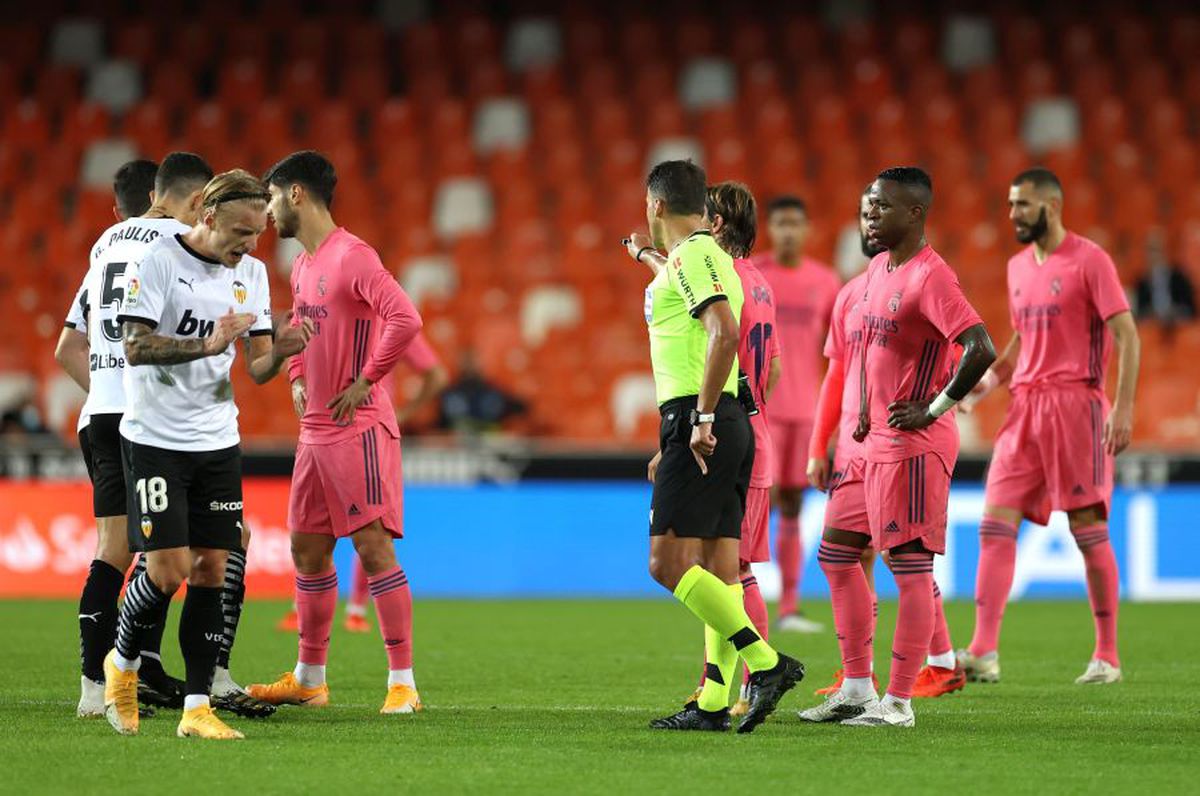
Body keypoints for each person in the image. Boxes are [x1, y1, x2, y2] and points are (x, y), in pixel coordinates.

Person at [103, 170, 312, 740]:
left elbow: (258, 366)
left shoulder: (253, 274)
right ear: (209, 215)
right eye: (240, 231)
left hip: (217, 440)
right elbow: (134, 345)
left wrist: (282, 350)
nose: (249, 243)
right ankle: (121, 661)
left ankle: (197, 709)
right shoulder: (158, 263)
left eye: (257, 232)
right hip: (154, 438)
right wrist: (207, 343)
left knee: (212, 568)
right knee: (166, 572)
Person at [803, 167, 995, 728]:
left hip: (912, 445)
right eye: (867, 204)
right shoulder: (874, 272)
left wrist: (934, 406)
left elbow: (980, 347)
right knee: (837, 554)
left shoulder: (931, 276)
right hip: (865, 448)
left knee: (909, 568)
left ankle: (899, 703)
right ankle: (857, 687)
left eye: (882, 206)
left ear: (915, 213)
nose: (869, 214)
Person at [248, 151, 425, 715]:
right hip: (314, 433)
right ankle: (310, 679)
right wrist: (297, 376)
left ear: (297, 194)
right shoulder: (302, 265)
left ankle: (403, 684)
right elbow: (301, 329)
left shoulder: (353, 257)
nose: (269, 210)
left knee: (372, 548)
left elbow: (406, 317)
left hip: (358, 428)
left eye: (273, 197)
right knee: (307, 549)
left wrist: (367, 379)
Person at [628, 160, 802, 734]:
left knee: (667, 563)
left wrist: (700, 419)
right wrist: (645, 257)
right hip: (730, 417)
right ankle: (712, 702)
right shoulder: (712, 259)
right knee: (720, 570)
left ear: (657, 205)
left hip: (698, 415)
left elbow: (724, 330)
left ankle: (767, 663)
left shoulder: (694, 255)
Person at [958, 169, 1140, 685]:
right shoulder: (1017, 266)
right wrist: (982, 386)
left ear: (1052, 206)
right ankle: (983, 651)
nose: (1012, 214)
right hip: (1025, 408)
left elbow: (1128, 336)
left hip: (1076, 406)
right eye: (1010, 204)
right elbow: (1021, 341)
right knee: (995, 523)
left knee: (1087, 528)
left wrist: (1123, 408)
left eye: (1022, 204)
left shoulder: (1090, 260)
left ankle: (1107, 656)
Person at [59, 154, 212, 719]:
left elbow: (66, 347)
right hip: (149, 418)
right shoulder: (179, 244)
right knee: (166, 551)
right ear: (194, 200)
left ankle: (102, 684)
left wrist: (105, 386)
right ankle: (130, 669)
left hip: (100, 411)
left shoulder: (104, 244)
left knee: (117, 550)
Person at [275, 332, 447, 634]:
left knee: (369, 530)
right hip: (322, 428)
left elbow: (436, 374)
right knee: (314, 530)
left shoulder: (387, 323)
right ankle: (311, 608)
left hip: (367, 430)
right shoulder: (328, 314)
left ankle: (355, 608)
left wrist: (402, 414)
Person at [750, 196, 840, 633]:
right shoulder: (754, 274)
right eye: (781, 223)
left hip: (806, 410)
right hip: (761, 408)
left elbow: (838, 352)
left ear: (806, 229)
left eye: (795, 224)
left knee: (792, 504)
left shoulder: (825, 282)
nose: (788, 231)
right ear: (769, 228)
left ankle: (788, 608)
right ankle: (742, 598)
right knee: (756, 504)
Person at [437, 349, 527, 433]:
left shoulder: (494, 392)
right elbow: (439, 424)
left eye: (473, 362)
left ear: (480, 364)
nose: (470, 367)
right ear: (460, 364)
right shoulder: (450, 394)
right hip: (458, 441)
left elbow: (519, 408)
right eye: (467, 362)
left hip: (490, 441)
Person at [1133, 229, 1195, 327]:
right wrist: (1151, 314)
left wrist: (1175, 311)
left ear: (1166, 251)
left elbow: (1191, 310)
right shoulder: (1142, 282)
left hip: (1177, 327)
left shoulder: (1179, 277)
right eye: (1149, 251)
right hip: (1152, 328)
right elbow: (1139, 314)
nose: (1153, 255)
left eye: (1156, 250)